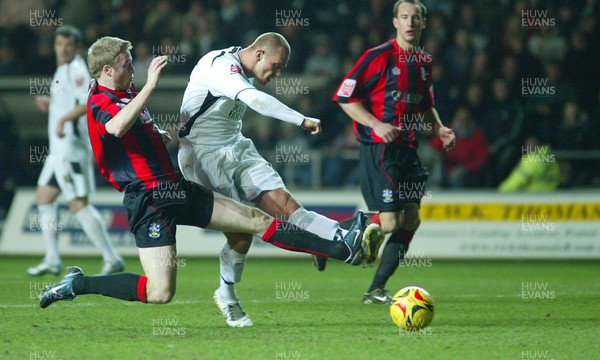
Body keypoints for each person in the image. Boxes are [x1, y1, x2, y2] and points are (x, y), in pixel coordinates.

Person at [39, 36, 378, 315]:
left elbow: (138, 131)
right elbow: (114, 126)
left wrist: (160, 133)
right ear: (108, 69)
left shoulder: (126, 93)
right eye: (128, 64)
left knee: (257, 221)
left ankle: (340, 248)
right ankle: (80, 284)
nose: (134, 68)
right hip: (148, 200)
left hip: (175, 188)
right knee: (160, 292)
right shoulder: (100, 98)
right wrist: (151, 85)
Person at [177, 32, 384, 326]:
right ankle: (227, 294)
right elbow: (256, 101)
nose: (277, 73)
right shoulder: (220, 67)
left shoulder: (244, 66)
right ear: (259, 54)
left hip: (236, 146)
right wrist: (301, 119)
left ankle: (339, 238)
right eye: (276, 66)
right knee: (241, 233)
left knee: (288, 206)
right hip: (202, 157)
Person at [328, 0, 456, 304]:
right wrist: (376, 124)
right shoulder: (378, 56)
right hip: (380, 149)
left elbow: (425, 104)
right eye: (404, 17)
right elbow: (345, 97)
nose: (410, 22)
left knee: (411, 222)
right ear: (395, 22)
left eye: (416, 18)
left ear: (424, 23)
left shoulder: (424, 61)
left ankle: (375, 290)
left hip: (409, 151)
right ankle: (328, 240)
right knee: (390, 223)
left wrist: (439, 128)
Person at [28, 25, 124, 277]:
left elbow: (87, 102)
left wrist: (62, 120)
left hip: (71, 147)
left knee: (77, 203)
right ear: (55, 46)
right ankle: (51, 258)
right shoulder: (62, 70)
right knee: (44, 198)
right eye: (60, 44)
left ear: (77, 47)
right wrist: (53, 107)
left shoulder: (78, 68)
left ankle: (111, 258)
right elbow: (70, 102)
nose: (64, 49)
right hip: (58, 150)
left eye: (68, 44)